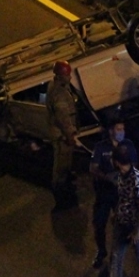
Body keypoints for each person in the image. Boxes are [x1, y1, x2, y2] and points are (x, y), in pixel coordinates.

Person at [99, 144, 139, 277]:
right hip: (121, 224)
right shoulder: (121, 176)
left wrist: (137, 230)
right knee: (116, 258)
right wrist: (117, 213)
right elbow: (123, 199)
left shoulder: (137, 179)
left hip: (135, 227)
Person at [89, 120, 136, 269]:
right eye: (118, 129)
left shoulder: (128, 145)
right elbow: (93, 168)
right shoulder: (100, 147)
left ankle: (117, 254)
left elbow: (134, 165)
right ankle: (101, 251)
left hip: (121, 194)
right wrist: (107, 177)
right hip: (104, 193)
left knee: (121, 224)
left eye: (123, 129)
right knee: (99, 224)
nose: (122, 132)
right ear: (111, 131)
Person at [47, 60, 79, 207]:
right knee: (61, 165)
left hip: (59, 133)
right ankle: (61, 195)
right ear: (60, 76)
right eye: (67, 75)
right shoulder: (59, 93)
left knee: (64, 163)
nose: (70, 77)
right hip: (62, 136)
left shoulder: (54, 86)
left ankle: (64, 187)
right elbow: (63, 118)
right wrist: (69, 135)